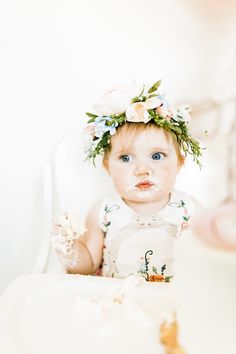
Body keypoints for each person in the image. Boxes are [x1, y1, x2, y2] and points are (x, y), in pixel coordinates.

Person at [51, 80, 202, 281]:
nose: (142, 170)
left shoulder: (190, 209)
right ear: (107, 167)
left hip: (172, 303)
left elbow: (208, 263)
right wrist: (68, 248)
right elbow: (87, 267)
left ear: (179, 163)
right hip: (119, 303)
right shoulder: (104, 211)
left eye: (157, 156)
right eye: (126, 158)